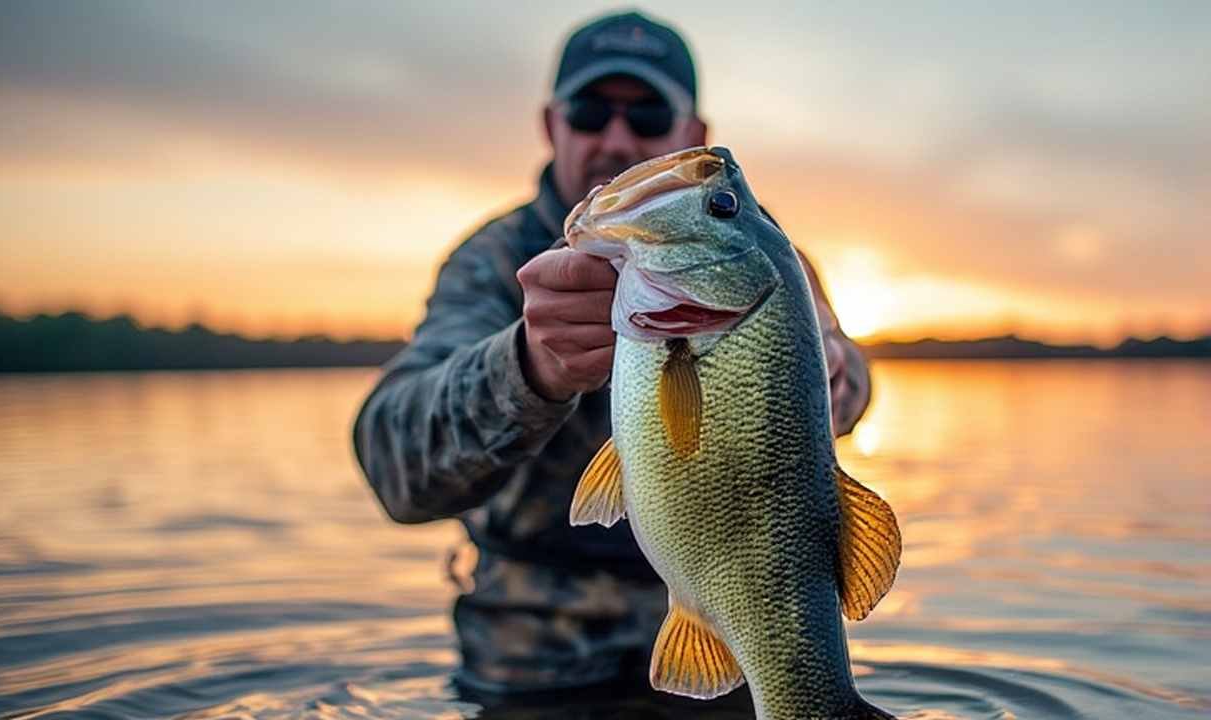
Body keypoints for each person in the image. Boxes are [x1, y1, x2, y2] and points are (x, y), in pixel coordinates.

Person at [354, 9, 871, 700]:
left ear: (694, 136)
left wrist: (836, 376)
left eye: (650, 115)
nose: (618, 138)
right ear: (551, 125)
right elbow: (394, 464)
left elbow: (854, 378)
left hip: (741, 644)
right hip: (530, 660)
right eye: (592, 111)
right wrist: (528, 368)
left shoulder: (758, 254)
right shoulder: (492, 263)